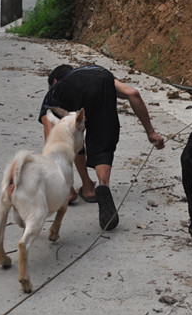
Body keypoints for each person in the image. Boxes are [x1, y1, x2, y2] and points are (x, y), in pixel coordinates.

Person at [39, 64, 165, 230]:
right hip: (102, 81)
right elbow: (133, 93)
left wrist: (63, 185)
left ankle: (78, 190)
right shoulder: (98, 72)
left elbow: (51, 136)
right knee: (102, 143)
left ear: (54, 81)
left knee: (70, 137)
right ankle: (100, 185)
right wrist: (151, 133)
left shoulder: (56, 90)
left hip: (69, 91)